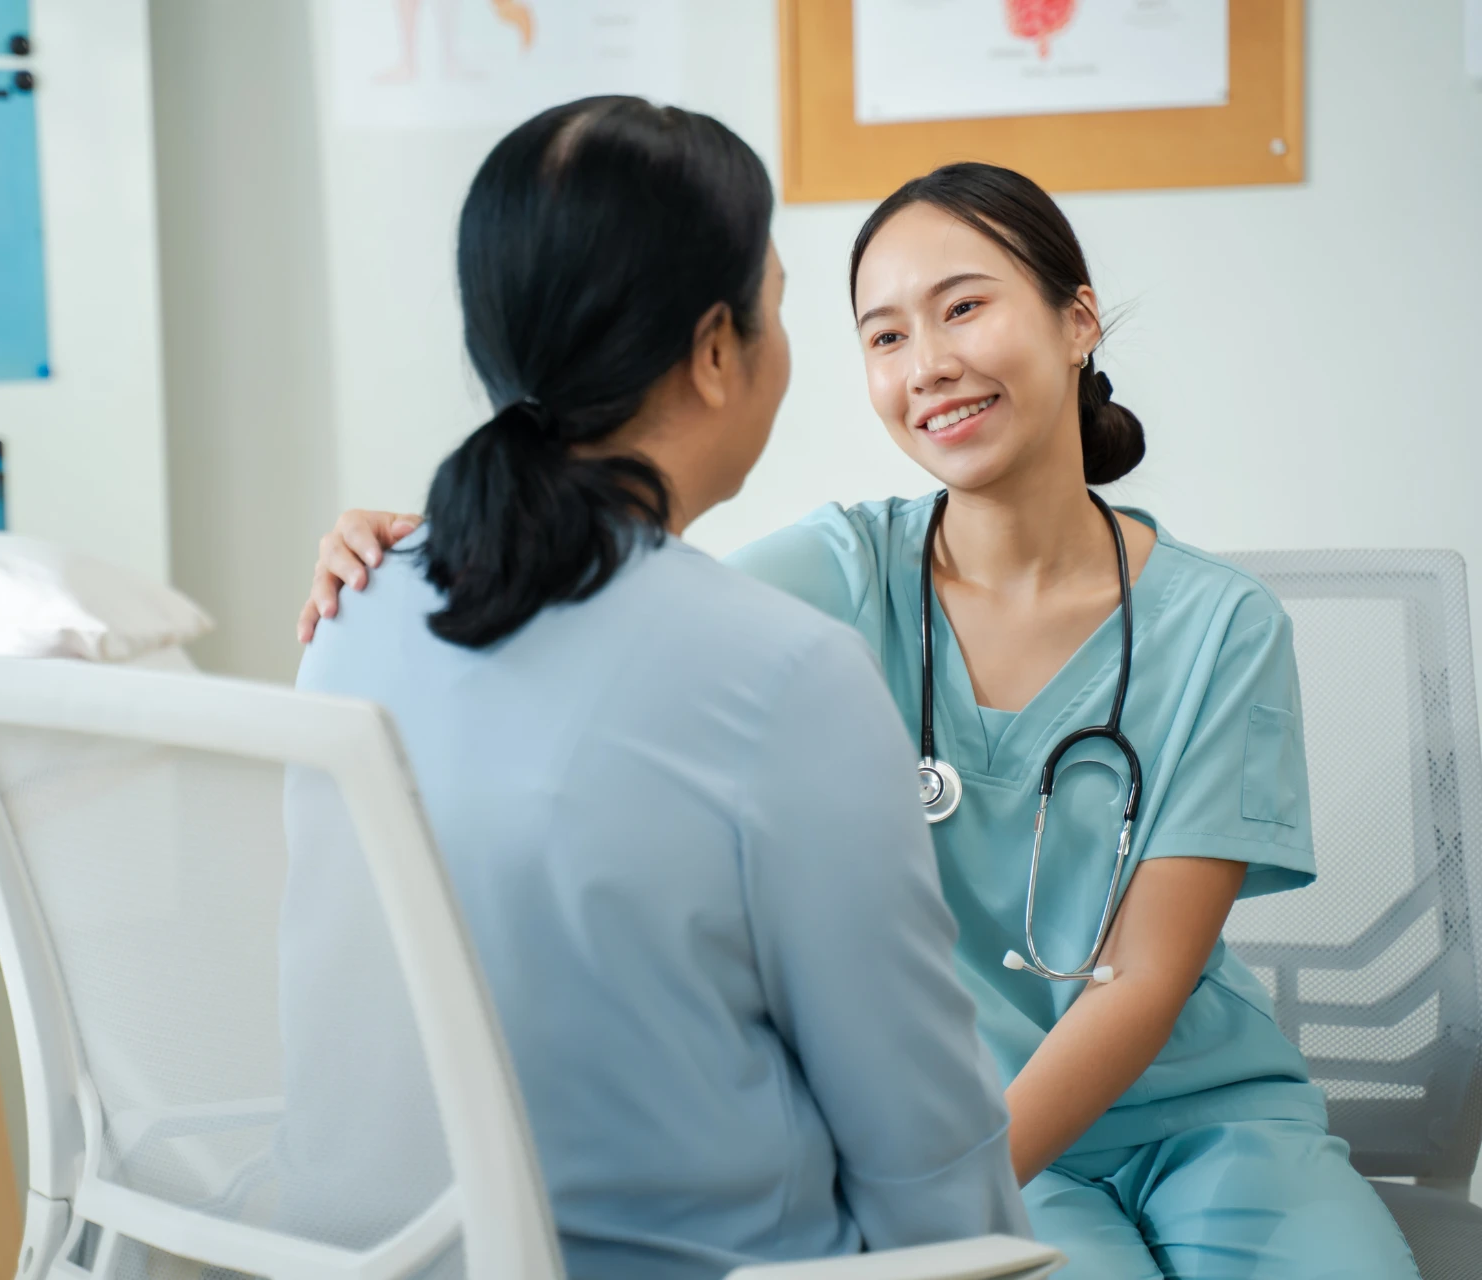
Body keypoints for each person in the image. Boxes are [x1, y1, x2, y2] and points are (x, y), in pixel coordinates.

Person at [298, 162, 1422, 1279]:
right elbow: (617, 609)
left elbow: (1142, 981)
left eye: (964, 306)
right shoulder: (831, 574)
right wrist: (421, 547)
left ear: (1077, 318)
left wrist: (950, 1193)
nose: (928, 364)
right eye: (883, 336)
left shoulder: (1222, 623)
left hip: (1208, 1119)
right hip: (970, 1134)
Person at [288, 100, 1027, 1279]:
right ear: (716, 350)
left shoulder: (351, 611)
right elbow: (928, 1159)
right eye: (779, 306)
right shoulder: (789, 676)